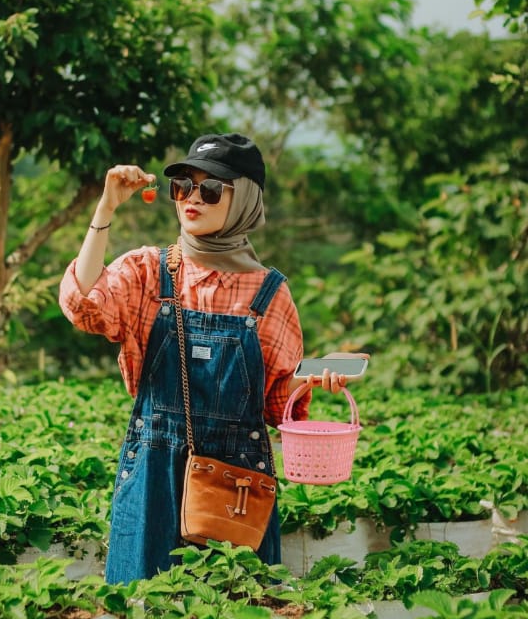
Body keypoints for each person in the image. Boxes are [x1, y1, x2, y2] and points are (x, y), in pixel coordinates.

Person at [58, 132, 362, 584]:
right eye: (183, 186)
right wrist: (105, 212)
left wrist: (318, 386)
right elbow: (83, 305)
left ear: (244, 201)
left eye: (211, 188)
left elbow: (282, 406)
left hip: (235, 486)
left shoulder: (269, 293)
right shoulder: (148, 271)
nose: (191, 199)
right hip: (154, 473)